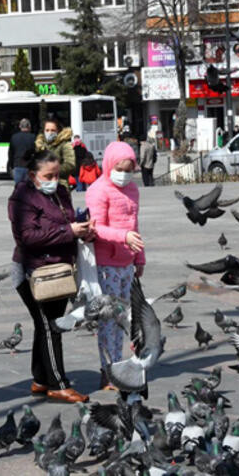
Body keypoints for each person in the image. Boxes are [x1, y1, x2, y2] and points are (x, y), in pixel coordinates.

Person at [8, 150, 93, 404]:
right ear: (33, 175)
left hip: (59, 270)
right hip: (33, 271)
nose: (54, 180)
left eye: (57, 175)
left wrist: (82, 227)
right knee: (50, 326)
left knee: (43, 325)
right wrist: (68, 231)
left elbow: (66, 220)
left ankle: (41, 378)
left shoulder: (60, 192)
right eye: (48, 175)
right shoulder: (21, 197)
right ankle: (58, 384)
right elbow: (27, 236)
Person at [86, 141, 145, 390]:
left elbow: (134, 225)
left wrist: (139, 257)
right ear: (109, 165)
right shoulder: (98, 190)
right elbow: (95, 228)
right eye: (119, 168)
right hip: (106, 263)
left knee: (122, 319)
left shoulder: (132, 189)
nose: (123, 174)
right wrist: (123, 237)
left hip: (125, 263)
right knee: (107, 321)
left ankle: (117, 366)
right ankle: (106, 369)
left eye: (128, 169)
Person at [35, 118, 75, 185]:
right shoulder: (40, 145)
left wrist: (52, 171)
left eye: (52, 130)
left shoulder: (65, 145)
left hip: (59, 184)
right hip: (42, 184)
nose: (49, 133)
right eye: (47, 130)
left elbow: (70, 164)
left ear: (58, 131)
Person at [8, 118, 36, 184]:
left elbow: (10, 153)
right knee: (29, 189)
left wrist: (12, 166)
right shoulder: (33, 137)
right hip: (29, 166)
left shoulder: (14, 137)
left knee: (19, 188)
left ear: (20, 126)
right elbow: (35, 152)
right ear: (29, 126)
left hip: (17, 165)